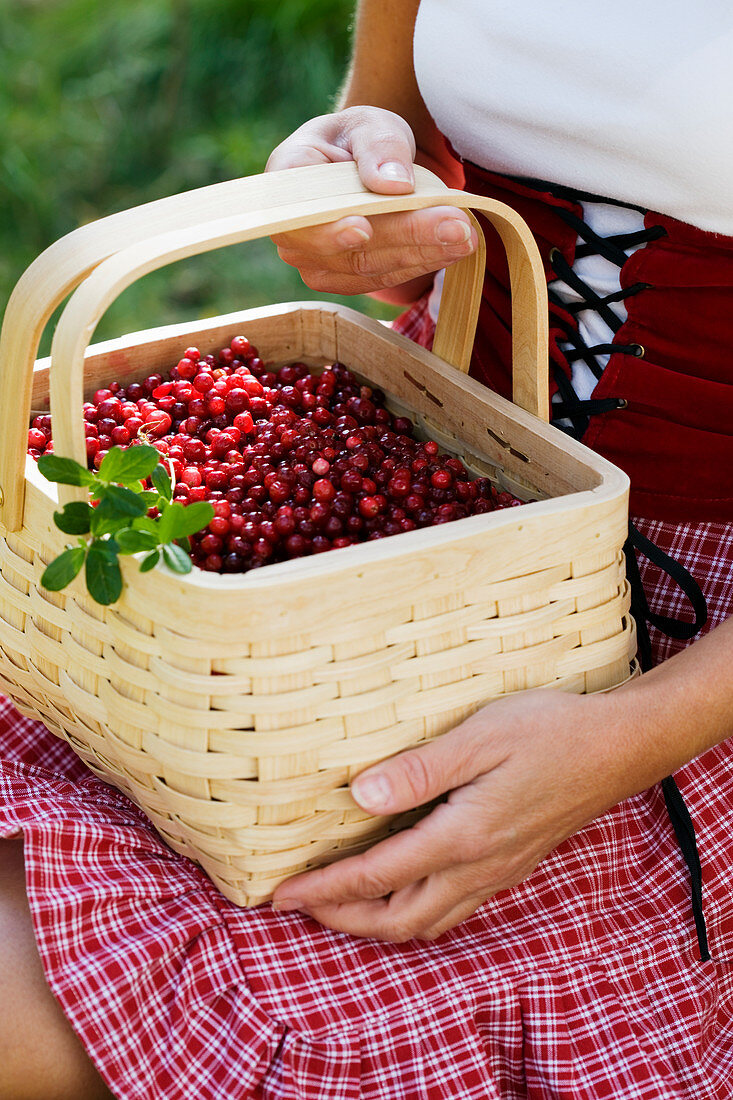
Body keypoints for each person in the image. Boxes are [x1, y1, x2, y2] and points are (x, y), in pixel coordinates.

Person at [1, 2, 732, 1097]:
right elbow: (398, 119)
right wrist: (354, 180)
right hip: (423, 484)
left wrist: (633, 733)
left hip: (684, 660)